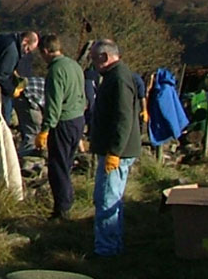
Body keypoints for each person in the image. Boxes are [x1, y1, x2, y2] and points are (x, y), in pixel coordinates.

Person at [87, 39, 141, 256]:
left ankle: (107, 249)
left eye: (93, 58)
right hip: (115, 149)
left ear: (104, 57)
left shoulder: (118, 79)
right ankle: (113, 245)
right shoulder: (115, 76)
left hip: (117, 151)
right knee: (109, 197)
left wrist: (115, 152)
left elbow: (123, 118)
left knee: (108, 198)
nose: (92, 63)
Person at [35, 34, 87, 219]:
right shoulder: (74, 65)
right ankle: (68, 201)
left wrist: (45, 129)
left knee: (58, 167)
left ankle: (62, 210)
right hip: (77, 120)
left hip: (63, 123)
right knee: (67, 164)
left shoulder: (56, 71)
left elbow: (54, 104)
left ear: (46, 51)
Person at [15, 76, 46, 156]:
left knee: (28, 131)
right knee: (33, 134)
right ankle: (25, 159)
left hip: (24, 90)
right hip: (29, 96)